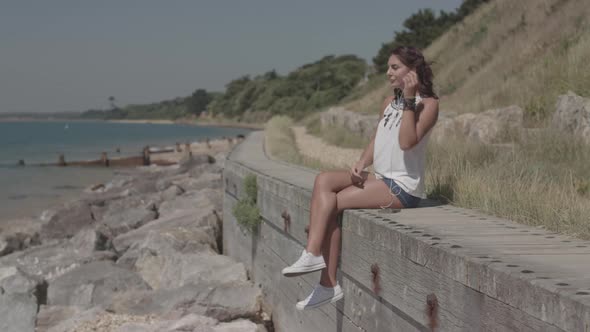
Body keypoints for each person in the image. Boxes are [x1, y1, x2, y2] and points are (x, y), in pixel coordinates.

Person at [281, 46, 439, 310]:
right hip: (381, 179)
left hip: (403, 188)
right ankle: (312, 255)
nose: (388, 72)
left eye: (395, 67)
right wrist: (362, 162)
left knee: (334, 202)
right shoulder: (390, 103)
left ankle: (326, 282)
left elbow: (406, 142)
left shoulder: (429, 105)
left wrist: (410, 99)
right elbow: (379, 137)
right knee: (324, 180)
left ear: (412, 71)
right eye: (388, 67)